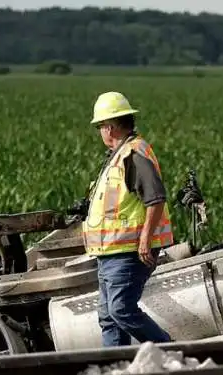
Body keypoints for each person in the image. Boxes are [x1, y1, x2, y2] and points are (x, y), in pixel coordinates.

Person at [80, 91, 175, 347]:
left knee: (121, 310)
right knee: (108, 316)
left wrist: (145, 240)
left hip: (128, 252)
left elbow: (155, 198)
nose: (100, 132)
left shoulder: (134, 154)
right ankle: (116, 372)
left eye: (100, 126)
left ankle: (169, 350)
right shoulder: (118, 156)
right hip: (110, 253)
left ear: (110, 127)